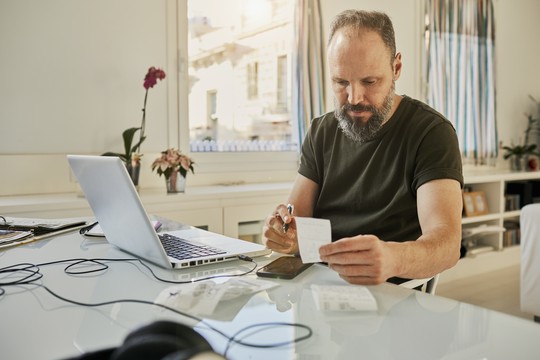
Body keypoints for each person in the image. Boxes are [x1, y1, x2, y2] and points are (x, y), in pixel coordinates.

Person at [262, 10, 464, 286]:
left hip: (392, 295)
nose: (354, 98)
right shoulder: (320, 131)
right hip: (318, 288)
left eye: (369, 82)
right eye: (341, 82)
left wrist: (393, 258)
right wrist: (284, 235)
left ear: (396, 68)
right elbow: (297, 221)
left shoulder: (431, 133)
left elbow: (447, 244)